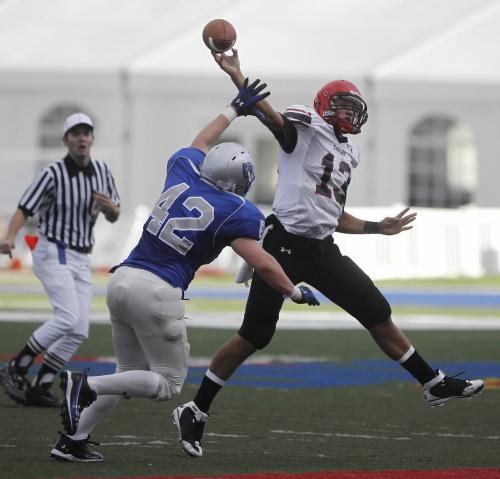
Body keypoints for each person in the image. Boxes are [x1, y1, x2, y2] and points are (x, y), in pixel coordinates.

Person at [172, 49, 485, 458]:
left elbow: (333, 213)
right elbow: (274, 120)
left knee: (376, 311)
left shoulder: (347, 153)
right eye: (342, 106)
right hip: (282, 246)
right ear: (323, 106)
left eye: (354, 109)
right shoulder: (305, 130)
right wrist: (237, 75)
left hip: (322, 249)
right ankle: (195, 410)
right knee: (254, 336)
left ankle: (432, 382)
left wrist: (377, 228)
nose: (349, 114)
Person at [49, 79, 319, 462]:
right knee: (167, 383)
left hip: (122, 280)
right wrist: (294, 291)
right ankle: (85, 384)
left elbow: (200, 141)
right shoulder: (236, 211)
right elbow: (259, 261)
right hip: (158, 292)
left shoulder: (184, 170)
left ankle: (73, 440)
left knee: (128, 372)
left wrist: (233, 109)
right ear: (240, 181)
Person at [0, 113, 121, 407]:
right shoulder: (53, 173)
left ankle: (41, 385)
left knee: (79, 329)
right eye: (76, 133)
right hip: (54, 249)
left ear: (92, 139)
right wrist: (9, 237)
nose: (82, 138)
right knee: (67, 316)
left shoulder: (103, 171)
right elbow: (24, 207)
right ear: (66, 139)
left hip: (81, 255)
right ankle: (16, 367)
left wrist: (109, 208)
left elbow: (115, 213)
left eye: (86, 133)